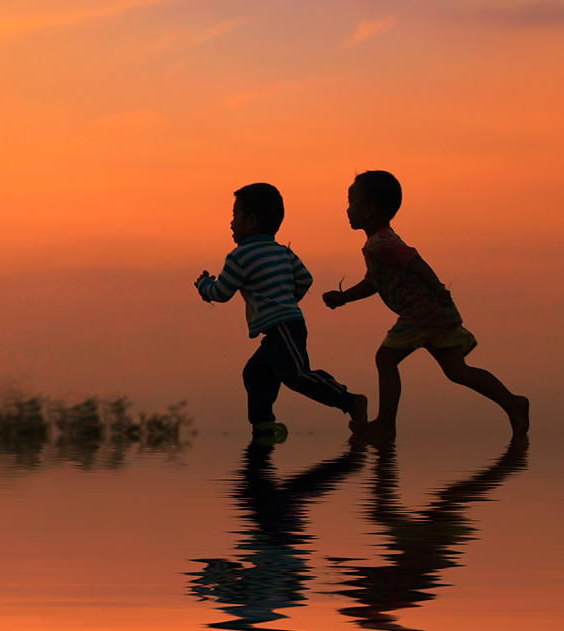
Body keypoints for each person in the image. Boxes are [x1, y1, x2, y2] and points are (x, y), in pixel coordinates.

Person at [321, 170, 529, 438]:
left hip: (420, 315)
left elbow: (414, 261)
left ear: (369, 209)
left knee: (385, 360)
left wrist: (438, 287)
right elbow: (374, 282)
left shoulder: (381, 244)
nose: (347, 209)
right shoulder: (380, 242)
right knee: (457, 371)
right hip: (435, 314)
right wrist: (344, 297)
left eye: (352, 202)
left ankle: (385, 424)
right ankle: (514, 403)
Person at [195, 182, 368, 442]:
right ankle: (263, 426)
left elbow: (221, 293)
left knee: (295, 374)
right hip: (288, 324)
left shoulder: (239, 257)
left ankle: (350, 401)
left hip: (283, 326)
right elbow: (305, 280)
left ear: (251, 221)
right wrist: (288, 298)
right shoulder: (283, 252)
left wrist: (203, 285)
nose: (231, 223)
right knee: (255, 373)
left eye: (235, 215)